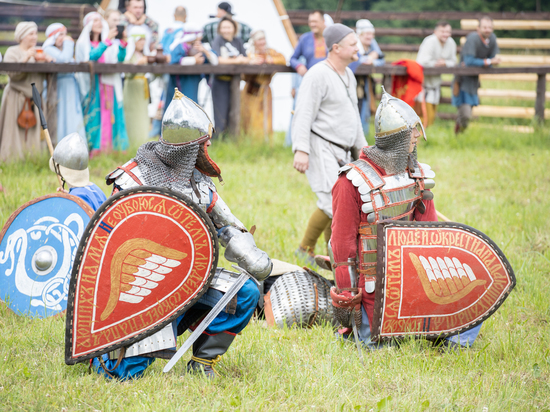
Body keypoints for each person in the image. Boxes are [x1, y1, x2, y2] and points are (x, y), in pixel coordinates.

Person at [93, 90, 272, 379]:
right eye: (204, 141)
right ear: (188, 147)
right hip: (142, 288)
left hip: (192, 278)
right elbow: (108, 242)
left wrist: (249, 253)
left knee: (246, 293)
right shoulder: (132, 180)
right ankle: (109, 356)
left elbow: (228, 225)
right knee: (121, 377)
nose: (209, 145)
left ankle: (203, 362)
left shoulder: (198, 182)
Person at [330, 89, 481, 349]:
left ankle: (448, 336)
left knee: (473, 290)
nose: (416, 138)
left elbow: (431, 235)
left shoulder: (417, 175)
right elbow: (342, 248)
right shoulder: (350, 182)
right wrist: (347, 298)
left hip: (414, 277)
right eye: (411, 133)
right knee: (380, 345)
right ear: (396, 138)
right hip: (374, 288)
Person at [291, 24, 367, 264]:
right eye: (353, 44)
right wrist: (301, 149)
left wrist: (363, 149)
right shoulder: (317, 75)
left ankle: (331, 253)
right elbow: (303, 113)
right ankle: (305, 249)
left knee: (340, 203)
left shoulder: (349, 74)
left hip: (342, 151)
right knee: (329, 203)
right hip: (319, 146)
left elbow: (353, 115)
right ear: (336, 48)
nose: (358, 48)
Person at [75, 12, 129, 157]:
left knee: (113, 115)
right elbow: (91, 57)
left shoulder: (108, 42)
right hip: (94, 87)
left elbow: (119, 59)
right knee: (95, 117)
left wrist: (123, 45)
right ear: (88, 26)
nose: (99, 23)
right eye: (95, 21)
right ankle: (95, 149)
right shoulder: (84, 44)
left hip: (109, 84)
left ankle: (114, 149)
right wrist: (106, 42)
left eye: (100, 20)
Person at [0, 22, 52, 162]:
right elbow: (11, 73)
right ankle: (11, 160)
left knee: (35, 134)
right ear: (22, 36)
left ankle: (34, 159)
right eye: (31, 34)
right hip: (16, 97)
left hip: (35, 99)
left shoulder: (39, 52)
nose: (34, 37)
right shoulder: (13, 51)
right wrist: (25, 58)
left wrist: (47, 61)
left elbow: (45, 76)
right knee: (14, 133)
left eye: (35, 33)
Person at [452, 16, 500, 134]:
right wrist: (487, 62)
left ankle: (459, 137)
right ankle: (458, 135)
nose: (487, 29)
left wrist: (489, 61)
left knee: (467, 114)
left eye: (490, 27)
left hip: (474, 81)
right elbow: (468, 61)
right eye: (484, 27)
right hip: (462, 81)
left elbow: (495, 58)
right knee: (466, 114)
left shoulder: (492, 39)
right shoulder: (472, 39)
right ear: (478, 28)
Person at [43, 23, 87, 143]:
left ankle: (76, 145)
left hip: (71, 86)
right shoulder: (48, 49)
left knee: (72, 116)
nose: (65, 37)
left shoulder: (63, 50)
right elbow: (64, 60)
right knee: (61, 117)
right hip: (59, 87)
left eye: (65, 34)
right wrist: (69, 43)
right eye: (61, 34)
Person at [241, 30, 286, 140]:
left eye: (263, 39)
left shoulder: (270, 52)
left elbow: (283, 60)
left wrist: (269, 60)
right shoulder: (249, 54)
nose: (262, 42)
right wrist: (251, 63)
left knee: (266, 116)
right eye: (259, 39)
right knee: (249, 116)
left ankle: (265, 142)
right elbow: (242, 73)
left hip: (265, 90)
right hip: (250, 90)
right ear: (254, 42)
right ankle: (250, 141)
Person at [210, 17, 248, 137]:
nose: (226, 30)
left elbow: (246, 58)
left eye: (228, 27)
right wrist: (237, 60)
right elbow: (217, 59)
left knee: (234, 111)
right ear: (219, 29)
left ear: (234, 28)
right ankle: (219, 138)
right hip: (220, 80)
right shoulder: (218, 40)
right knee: (220, 111)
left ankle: (232, 138)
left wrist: (235, 60)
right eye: (223, 27)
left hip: (235, 81)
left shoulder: (238, 41)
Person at [49, 133, 107, 211]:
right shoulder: (97, 190)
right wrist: (70, 197)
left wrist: (71, 200)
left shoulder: (76, 199)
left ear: (60, 170)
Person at [415, 21, 457, 127]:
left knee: (431, 117)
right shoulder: (429, 41)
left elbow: (454, 61)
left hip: (435, 83)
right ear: (436, 31)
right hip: (423, 84)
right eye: (443, 31)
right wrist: (436, 64)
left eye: (448, 32)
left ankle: (427, 138)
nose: (445, 34)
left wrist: (445, 63)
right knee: (421, 116)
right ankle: (416, 139)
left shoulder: (451, 43)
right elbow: (421, 61)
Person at [166, 24, 218, 106]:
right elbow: (174, 61)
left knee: (192, 104)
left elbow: (215, 61)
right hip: (181, 81)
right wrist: (194, 60)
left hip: (195, 81)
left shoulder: (203, 47)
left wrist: (205, 51)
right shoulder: (180, 47)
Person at [349, 19, 385, 135]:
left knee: (365, 106)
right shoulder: (354, 43)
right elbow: (356, 61)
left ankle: (362, 135)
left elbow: (381, 59)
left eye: (372, 34)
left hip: (365, 81)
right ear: (360, 35)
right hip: (352, 80)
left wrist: (372, 60)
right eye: (367, 34)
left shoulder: (372, 43)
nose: (370, 37)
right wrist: (367, 59)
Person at [123, 26, 151, 146]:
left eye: (144, 39)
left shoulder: (144, 54)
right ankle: (133, 143)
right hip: (131, 88)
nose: (142, 42)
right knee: (133, 116)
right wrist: (137, 65)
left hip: (142, 88)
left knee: (143, 116)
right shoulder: (128, 54)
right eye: (140, 40)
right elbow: (127, 72)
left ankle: (143, 142)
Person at [289, 10, 327, 77]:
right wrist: (299, 66)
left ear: (323, 21)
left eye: (315, 21)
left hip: (331, 79)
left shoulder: (332, 37)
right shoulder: (305, 39)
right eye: (310, 22)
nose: (312, 24)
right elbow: (293, 59)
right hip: (312, 79)